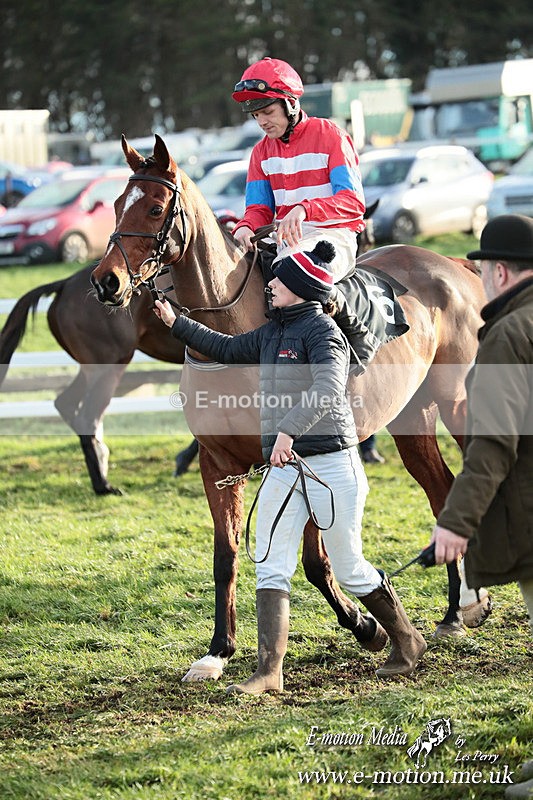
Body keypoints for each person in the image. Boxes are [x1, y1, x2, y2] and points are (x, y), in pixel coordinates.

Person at [154, 241, 426, 694]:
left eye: (277, 281)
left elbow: (326, 390)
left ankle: (407, 640)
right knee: (270, 563)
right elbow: (224, 346)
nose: (269, 285)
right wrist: (177, 323)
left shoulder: (324, 334)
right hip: (285, 468)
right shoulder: (270, 332)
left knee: (350, 566)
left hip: (330, 466)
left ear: (298, 290)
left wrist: (285, 433)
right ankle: (269, 672)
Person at [430, 214, 533, 638]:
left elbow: (492, 444)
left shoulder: (508, 335)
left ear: (501, 271)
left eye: (482, 272)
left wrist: (456, 521)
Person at [231, 57, 366, 281]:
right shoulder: (260, 152)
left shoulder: (332, 135)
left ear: (291, 103)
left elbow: (353, 202)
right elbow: (259, 210)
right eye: (256, 115)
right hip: (284, 241)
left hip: (333, 237)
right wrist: (245, 227)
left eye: (268, 112)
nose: (262, 122)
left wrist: (304, 209)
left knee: (293, 270)